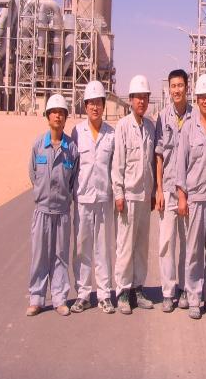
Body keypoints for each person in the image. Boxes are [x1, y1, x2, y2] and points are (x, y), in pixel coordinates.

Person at [26, 94, 79, 317]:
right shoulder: (38, 145)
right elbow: (32, 174)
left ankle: (59, 298)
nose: (57, 116)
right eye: (54, 112)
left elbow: (73, 178)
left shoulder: (71, 148)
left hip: (62, 212)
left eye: (61, 113)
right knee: (39, 256)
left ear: (66, 117)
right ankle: (36, 298)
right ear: (47, 116)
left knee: (60, 256)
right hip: (42, 211)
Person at [176, 73, 206, 320]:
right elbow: (180, 166)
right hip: (194, 198)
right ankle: (194, 296)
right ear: (197, 99)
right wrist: (182, 197)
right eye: (202, 97)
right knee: (194, 251)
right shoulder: (188, 129)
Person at [112, 74, 156, 314]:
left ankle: (138, 288)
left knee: (141, 245)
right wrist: (118, 193)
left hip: (144, 195)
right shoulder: (123, 126)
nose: (141, 101)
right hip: (128, 196)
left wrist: (153, 192)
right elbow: (118, 163)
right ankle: (122, 291)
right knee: (125, 245)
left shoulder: (150, 126)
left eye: (145, 97)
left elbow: (151, 163)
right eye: (137, 97)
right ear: (130, 100)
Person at [71, 81, 116, 314]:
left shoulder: (112, 134)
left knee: (103, 247)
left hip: (104, 198)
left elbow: (115, 168)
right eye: (91, 103)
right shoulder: (77, 133)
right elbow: (72, 166)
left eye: (99, 102)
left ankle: (105, 294)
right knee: (82, 247)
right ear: (85, 106)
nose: (95, 107)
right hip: (83, 199)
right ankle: (83, 294)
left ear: (103, 105)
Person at [155, 69, 193, 312]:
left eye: (180, 85)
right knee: (166, 243)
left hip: (189, 191)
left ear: (187, 88)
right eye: (173, 86)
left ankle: (186, 288)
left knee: (188, 243)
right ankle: (168, 292)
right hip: (168, 189)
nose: (177, 90)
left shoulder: (196, 116)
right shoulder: (162, 117)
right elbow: (159, 155)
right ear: (169, 89)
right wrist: (158, 189)